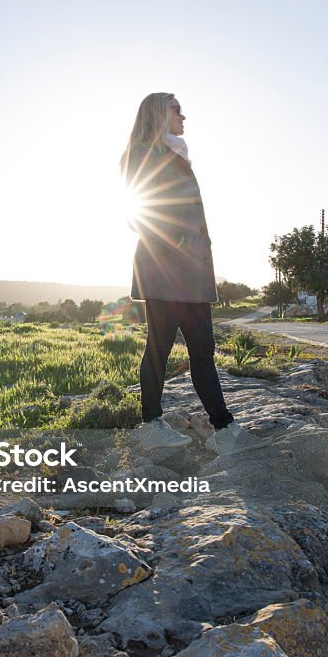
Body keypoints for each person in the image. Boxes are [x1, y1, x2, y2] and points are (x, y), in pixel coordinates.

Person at [120, 92, 269, 456]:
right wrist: (177, 243)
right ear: (158, 115)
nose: (184, 117)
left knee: (203, 348)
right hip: (164, 268)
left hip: (192, 272)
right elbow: (136, 213)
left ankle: (225, 430)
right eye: (177, 110)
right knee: (160, 347)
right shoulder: (142, 154)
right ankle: (151, 425)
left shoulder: (178, 153)